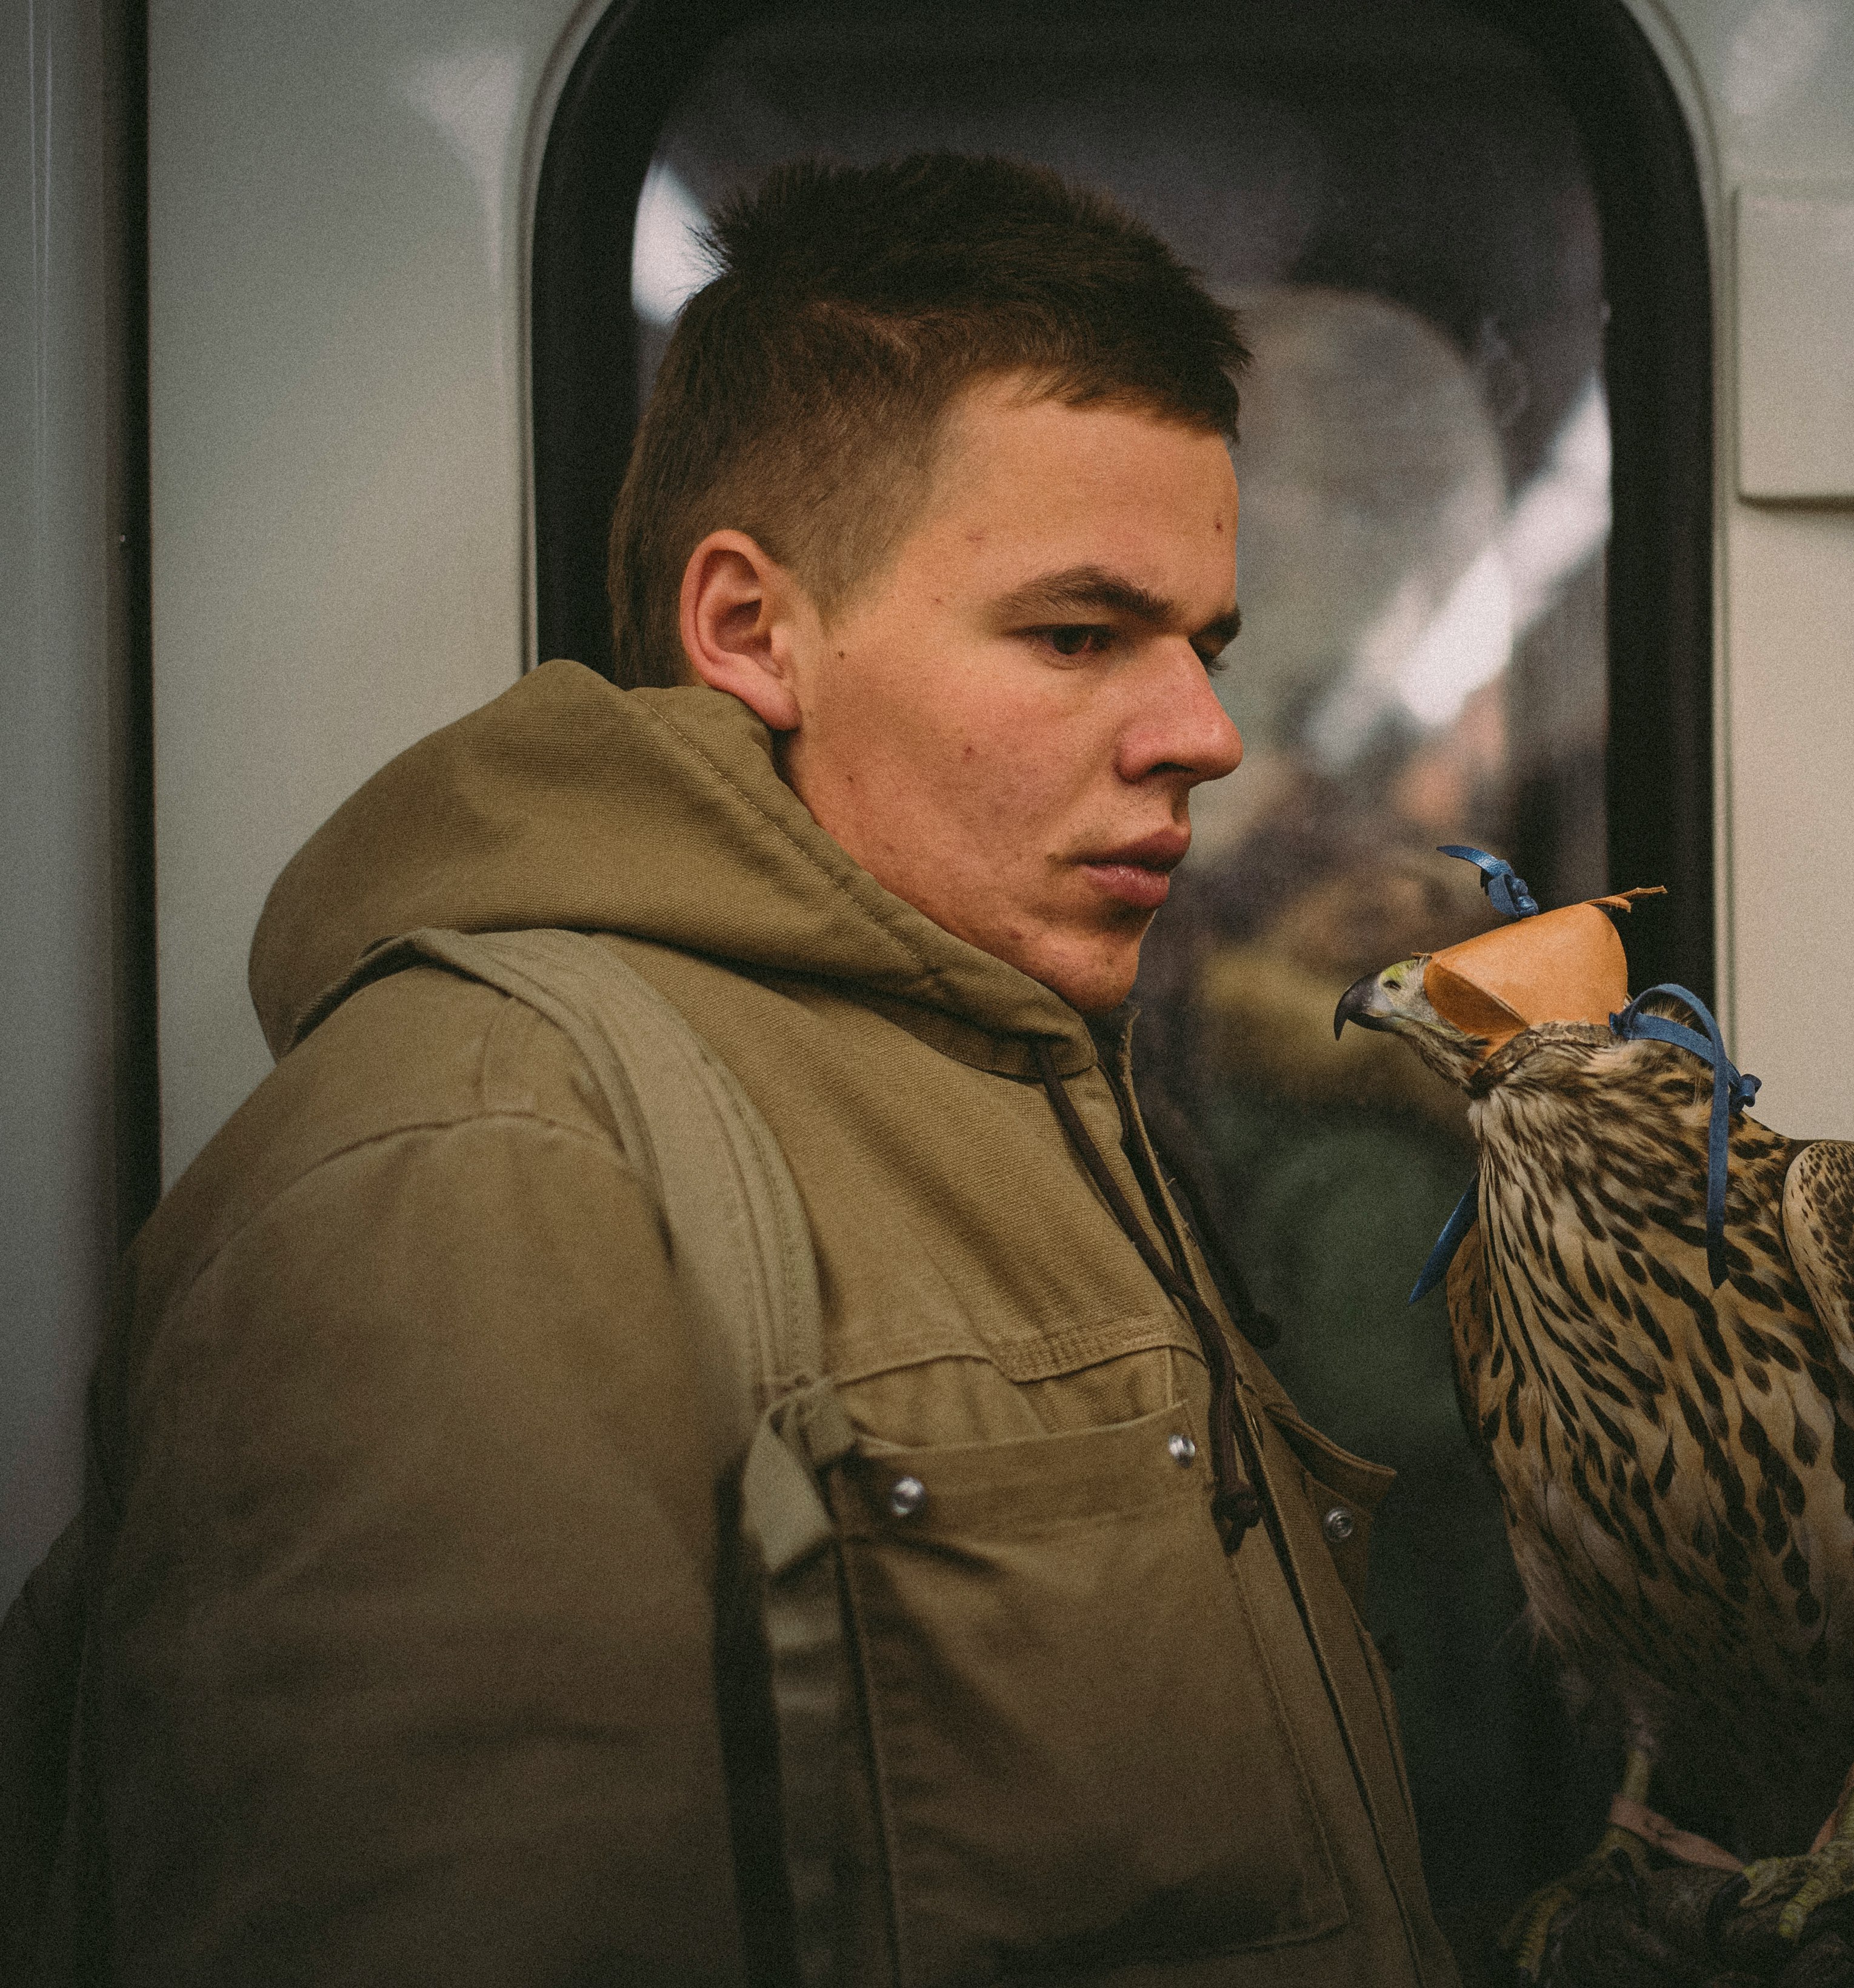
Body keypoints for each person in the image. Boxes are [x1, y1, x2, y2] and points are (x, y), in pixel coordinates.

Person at [65, 155, 1456, 1986]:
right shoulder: (482, 1159)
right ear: (751, 633)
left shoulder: (1034, 1081)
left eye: (1202, 647)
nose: (1201, 735)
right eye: (1076, 635)